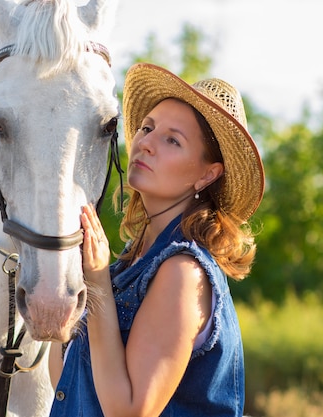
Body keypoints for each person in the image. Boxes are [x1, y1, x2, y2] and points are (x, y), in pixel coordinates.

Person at [48, 63, 265, 417]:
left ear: (207, 174)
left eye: (172, 140)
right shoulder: (123, 269)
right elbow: (66, 386)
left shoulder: (184, 272)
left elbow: (130, 411)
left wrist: (99, 284)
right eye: (147, 128)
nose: (146, 142)